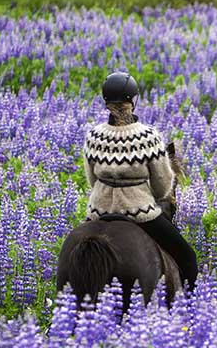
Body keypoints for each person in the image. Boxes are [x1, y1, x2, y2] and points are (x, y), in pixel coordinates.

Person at [83, 71, 198, 289]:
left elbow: (91, 180)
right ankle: (189, 311)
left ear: (106, 101)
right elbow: (163, 186)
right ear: (133, 101)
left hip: (98, 212)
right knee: (187, 257)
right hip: (141, 213)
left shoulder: (94, 136)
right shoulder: (148, 137)